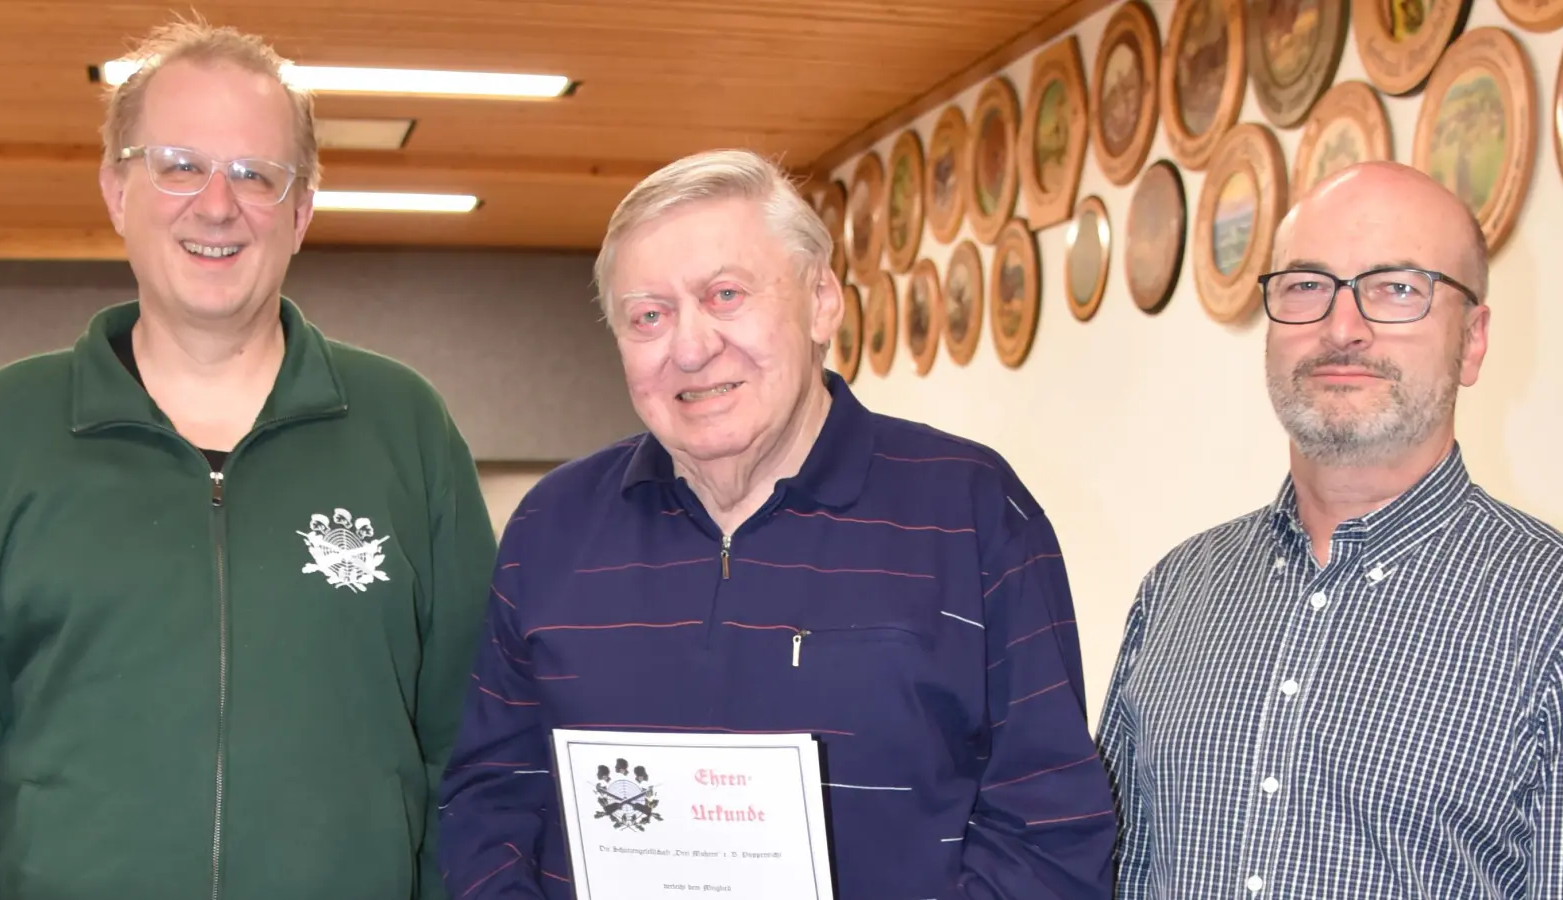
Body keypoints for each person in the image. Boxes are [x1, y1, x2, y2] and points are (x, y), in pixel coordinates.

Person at [437, 148, 1116, 899]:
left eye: (726, 294)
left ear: (821, 299)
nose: (690, 348)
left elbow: (1047, 823)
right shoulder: (551, 526)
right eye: (649, 316)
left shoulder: (972, 509)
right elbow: (491, 796)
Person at [0, 20, 496, 900]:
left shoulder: (406, 429)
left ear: (302, 209)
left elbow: (471, 741)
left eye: (256, 174)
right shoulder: (6, 430)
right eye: (179, 164)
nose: (217, 204)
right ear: (116, 189)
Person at [1096, 160, 1563, 898]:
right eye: (1307, 286)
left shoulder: (1549, 612)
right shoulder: (1177, 590)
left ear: (1472, 341)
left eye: (1398, 289)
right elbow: (1110, 874)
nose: (1342, 327)